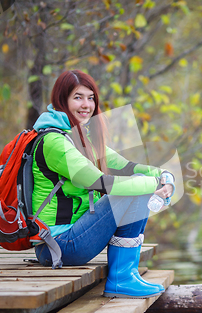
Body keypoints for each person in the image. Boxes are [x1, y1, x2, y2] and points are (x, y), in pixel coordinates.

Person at [31, 70, 175, 298]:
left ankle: (127, 274)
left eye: (90, 98)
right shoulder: (54, 142)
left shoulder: (80, 137)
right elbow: (100, 182)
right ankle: (122, 278)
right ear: (62, 100)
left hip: (73, 237)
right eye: (78, 97)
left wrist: (164, 175)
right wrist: (149, 185)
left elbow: (126, 167)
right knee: (133, 190)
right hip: (58, 246)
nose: (86, 104)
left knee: (137, 184)